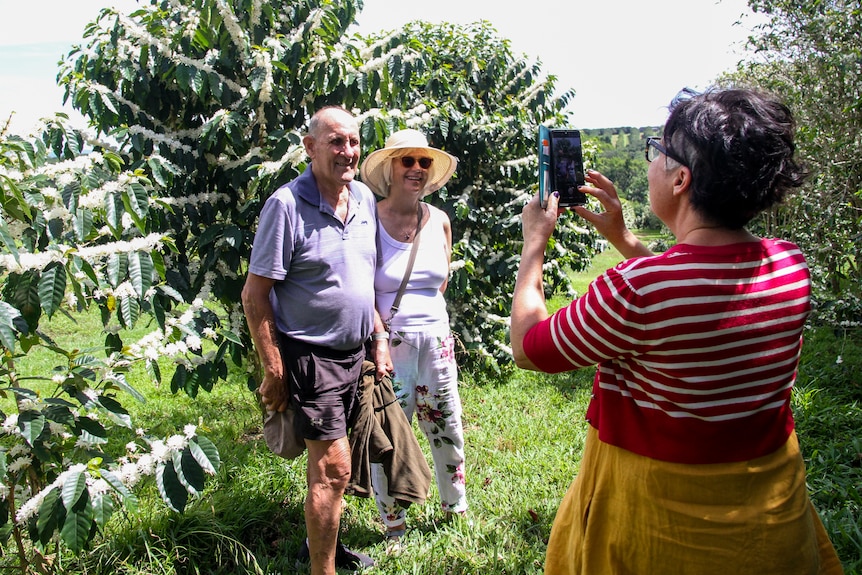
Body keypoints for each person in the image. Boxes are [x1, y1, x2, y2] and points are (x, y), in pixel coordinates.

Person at [511, 88, 844, 575]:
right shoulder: (789, 263)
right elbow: (694, 290)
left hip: (657, 522)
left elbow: (528, 347)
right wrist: (622, 238)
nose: (652, 161)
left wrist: (534, 245)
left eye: (657, 150)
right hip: (769, 522)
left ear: (681, 178)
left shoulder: (636, 289)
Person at [242, 106, 388, 575]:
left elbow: (363, 279)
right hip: (311, 356)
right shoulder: (286, 206)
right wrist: (273, 369)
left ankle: (325, 547)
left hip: (356, 354)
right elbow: (255, 294)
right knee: (334, 469)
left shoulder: (364, 198)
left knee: (332, 467)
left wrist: (377, 339)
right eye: (335, 142)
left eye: (353, 142)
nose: (347, 152)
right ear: (309, 147)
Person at [360, 129, 468, 542]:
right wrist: (380, 336)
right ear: (390, 167)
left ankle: (455, 506)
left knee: (447, 423)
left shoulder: (439, 220)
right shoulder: (370, 220)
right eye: (408, 161)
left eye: (424, 163)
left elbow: (439, 283)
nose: (417, 170)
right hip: (391, 342)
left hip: (437, 338)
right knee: (388, 430)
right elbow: (361, 290)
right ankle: (394, 523)